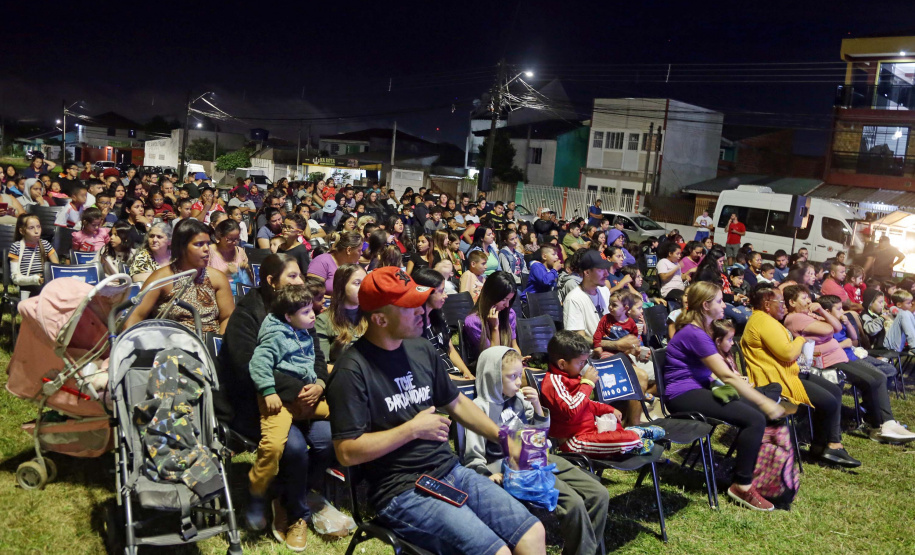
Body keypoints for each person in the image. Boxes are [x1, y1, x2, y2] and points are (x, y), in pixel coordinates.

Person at [325, 266, 547, 555]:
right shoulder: (351, 370)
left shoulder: (421, 349)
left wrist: (506, 439)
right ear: (379, 318)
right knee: (497, 552)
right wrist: (412, 430)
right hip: (400, 489)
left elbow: (457, 403)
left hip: (449, 469)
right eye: (408, 306)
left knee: (533, 532)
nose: (420, 310)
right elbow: (347, 451)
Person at [218, 254, 344, 545]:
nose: (301, 280)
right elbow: (248, 367)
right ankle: (292, 509)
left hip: (304, 398)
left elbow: (317, 355)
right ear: (271, 282)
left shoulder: (302, 311)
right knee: (295, 448)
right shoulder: (249, 315)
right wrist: (297, 390)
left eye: (300, 275)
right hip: (261, 402)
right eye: (293, 276)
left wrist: (321, 384)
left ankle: (296, 493)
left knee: (328, 438)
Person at [465, 346, 610, 555]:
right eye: (511, 377)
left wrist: (537, 408)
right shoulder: (479, 409)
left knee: (599, 494)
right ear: (493, 377)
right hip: (512, 471)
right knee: (575, 504)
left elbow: (540, 437)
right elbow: (473, 458)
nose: (518, 382)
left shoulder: (519, 400)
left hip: (539, 458)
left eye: (519, 375)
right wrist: (489, 476)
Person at [663, 283, 785, 511]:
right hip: (682, 395)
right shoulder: (694, 332)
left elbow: (721, 374)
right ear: (706, 305)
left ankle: (748, 470)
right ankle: (742, 486)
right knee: (755, 418)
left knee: (755, 411)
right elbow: (727, 375)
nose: (724, 305)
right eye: (719, 301)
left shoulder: (701, 329)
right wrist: (763, 402)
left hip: (699, 387)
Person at [244, 285, 349, 547]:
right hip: (278, 403)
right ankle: (257, 491)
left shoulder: (306, 330)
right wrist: (269, 391)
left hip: (308, 400)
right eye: (305, 312)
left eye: (311, 308)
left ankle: (304, 492)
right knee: (274, 446)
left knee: (345, 418)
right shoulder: (274, 335)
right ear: (288, 316)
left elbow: (317, 363)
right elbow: (258, 364)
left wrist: (320, 386)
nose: (313, 314)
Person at [740, 285, 861, 467]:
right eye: (780, 302)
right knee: (828, 401)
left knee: (833, 390)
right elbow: (788, 353)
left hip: (789, 372)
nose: (783, 306)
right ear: (767, 304)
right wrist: (801, 339)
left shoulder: (766, 320)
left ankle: (822, 446)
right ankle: (828, 446)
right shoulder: (763, 322)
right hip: (776, 380)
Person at [783, 285, 913, 443]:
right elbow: (829, 330)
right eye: (803, 298)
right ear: (791, 302)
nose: (809, 300)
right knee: (872, 380)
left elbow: (836, 327)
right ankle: (880, 425)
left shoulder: (809, 316)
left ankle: (884, 423)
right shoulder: (795, 318)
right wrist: (823, 316)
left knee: (879, 377)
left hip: (839, 356)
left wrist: (822, 313)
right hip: (826, 361)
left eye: (808, 297)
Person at [540, 330, 654, 458]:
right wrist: (587, 384)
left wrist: (608, 409)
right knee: (626, 438)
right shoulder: (553, 383)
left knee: (613, 422)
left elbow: (585, 403)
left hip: (589, 429)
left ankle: (634, 434)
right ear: (562, 364)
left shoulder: (572, 375)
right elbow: (571, 410)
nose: (583, 366)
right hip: (573, 441)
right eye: (580, 362)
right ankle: (636, 437)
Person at [125, 219, 234, 334]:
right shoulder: (162, 278)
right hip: (173, 345)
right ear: (182, 247)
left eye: (207, 243)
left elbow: (228, 317)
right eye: (199, 244)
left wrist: (219, 344)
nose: (207, 249)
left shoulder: (217, 278)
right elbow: (135, 317)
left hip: (209, 345)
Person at [412, 268, 474, 380]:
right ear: (426, 293)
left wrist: (467, 373)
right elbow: (425, 369)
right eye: (441, 291)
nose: (445, 295)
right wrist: (460, 380)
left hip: (452, 375)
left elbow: (450, 349)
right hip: (435, 380)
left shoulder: (438, 315)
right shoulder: (413, 325)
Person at [818, 295, 897, 379]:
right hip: (845, 360)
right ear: (827, 312)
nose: (842, 311)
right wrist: (844, 344)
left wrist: (848, 323)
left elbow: (854, 337)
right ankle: (869, 388)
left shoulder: (841, 322)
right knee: (879, 375)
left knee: (890, 369)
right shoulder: (824, 327)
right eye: (838, 309)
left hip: (853, 355)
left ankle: (870, 389)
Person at [314, 263, 368, 366]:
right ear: (341, 286)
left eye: (365, 283)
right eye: (357, 283)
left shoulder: (371, 316)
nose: (363, 288)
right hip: (344, 377)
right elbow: (322, 366)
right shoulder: (323, 321)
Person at [463, 272, 520, 362]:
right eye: (504, 300)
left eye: (510, 300)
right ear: (491, 296)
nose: (507, 305)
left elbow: (514, 345)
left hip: (510, 364)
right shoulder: (473, 322)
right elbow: (493, 359)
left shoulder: (509, 314)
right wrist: (495, 328)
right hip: (492, 368)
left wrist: (519, 360)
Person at [563, 251, 617, 341]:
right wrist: (617, 345)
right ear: (587, 273)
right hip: (594, 352)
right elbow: (579, 339)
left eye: (606, 269)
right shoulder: (574, 299)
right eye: (601, 269)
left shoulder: (604, 290)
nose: (606, 274)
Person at [9, 214, 59, 297]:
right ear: (22, 231)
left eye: (38, 227)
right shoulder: (16, 247)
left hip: (45, 286)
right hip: (26, 288)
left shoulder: (45, 244)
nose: (36, 231)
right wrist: (34, 279)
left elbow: (57, 269)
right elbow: (15, 278)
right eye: (31, 228)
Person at [209, 219, 252, 295]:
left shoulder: (240, 251)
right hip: (218, 294)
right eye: (229, 239)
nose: (234, 243)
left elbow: (249, 282)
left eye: (236, 239)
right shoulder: (209, 252)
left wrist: (247, 270)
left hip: (239, 294)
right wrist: (226, 273)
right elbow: (204, 281)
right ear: (220, 236)